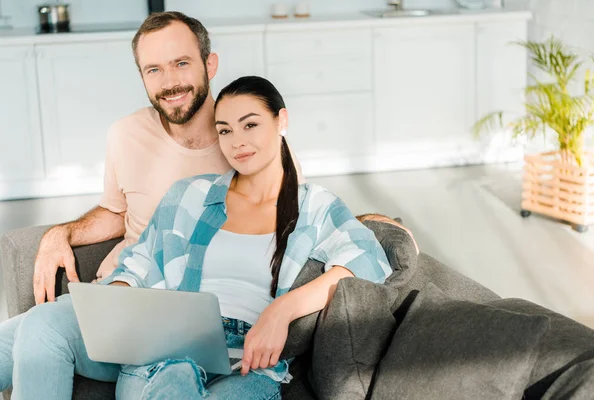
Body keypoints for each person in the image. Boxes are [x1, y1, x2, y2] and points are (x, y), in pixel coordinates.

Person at [0, 76, 393, 399]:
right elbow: (139, 262)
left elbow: (369, 262)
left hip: (246, 359)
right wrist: (115, 301)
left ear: (282, 121)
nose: (237, 141)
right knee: (43, 325)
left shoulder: (314, 206)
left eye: (250, 124)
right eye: (225, 130)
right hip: (164, 341)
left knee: (174, 385)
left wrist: (281, 311)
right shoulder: (190, 195)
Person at [31, 11, 305, 305]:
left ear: (209, 65)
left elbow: (294, 227)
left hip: (197, 306)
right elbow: (117, 213)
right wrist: (61, 234)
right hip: (119, 290)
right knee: (32, 333)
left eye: (181, 63)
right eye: (154, 70)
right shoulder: (125, 133)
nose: (170, 82)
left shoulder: (252, 149)